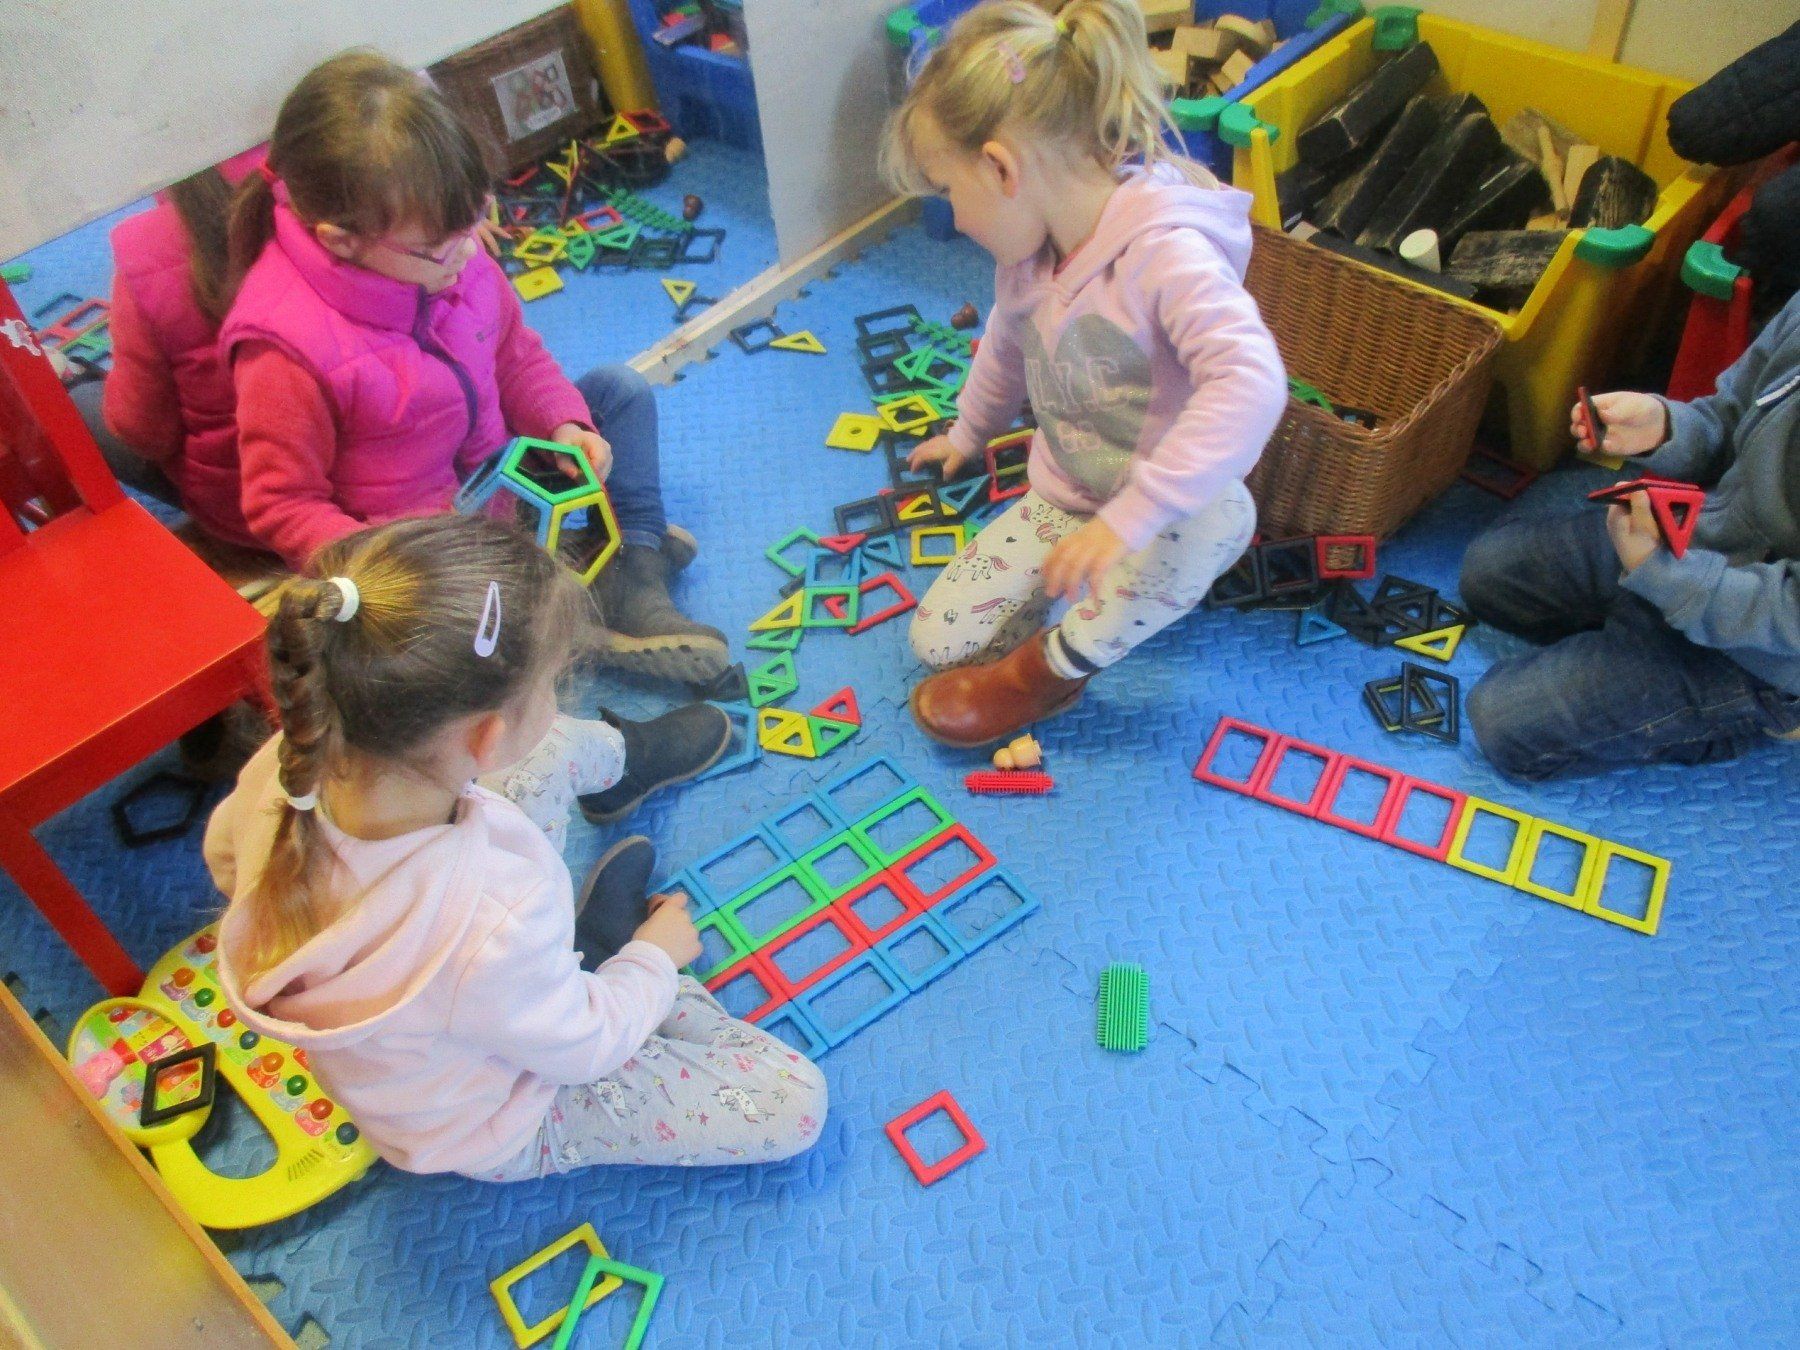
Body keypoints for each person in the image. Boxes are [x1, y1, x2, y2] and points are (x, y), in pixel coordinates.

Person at [206, 515, 827, 1178]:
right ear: (485, 739)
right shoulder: (497, 918)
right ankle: (629, 972)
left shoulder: (288, 770)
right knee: (792, 1101)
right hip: (505, 1113)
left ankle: (628, 764)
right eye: (552, 682)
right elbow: (584, 1047)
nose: (556, 692)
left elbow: (224, 860)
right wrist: (653, 960)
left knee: (546, 750)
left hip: (483, 991)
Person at [218, 50, 726, 680]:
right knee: (456, 671)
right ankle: (579, 628)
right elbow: (283, 505)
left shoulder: (447, 249)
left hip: (512, 489)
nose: (469, 253)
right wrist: (396, 568)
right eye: (442, 247)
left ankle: (631, 569)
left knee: (618, 394)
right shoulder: (282, 348)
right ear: (341, 240)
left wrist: (566, 423)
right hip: (436, 561)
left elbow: (515, 355)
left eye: (476, 222)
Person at [880, 0, 1287, 747]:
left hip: (1172, 509)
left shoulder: (1165, 253)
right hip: (1071, 492)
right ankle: (1068, 604)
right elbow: (1005, 341)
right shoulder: (1030, 254)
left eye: (948, 191)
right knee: (936, 643)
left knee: (1218, 520)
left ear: (1002, 168)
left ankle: (1050, 670)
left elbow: (1254, 382)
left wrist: (1132, 518)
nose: (956, 218)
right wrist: (968, 430)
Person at [1459, 293, 1800, 779]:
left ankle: (1764, 716)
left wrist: (1656, 573)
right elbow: (1728, 415)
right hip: (1700, 538)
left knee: (1501, 725)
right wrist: (1665, 426)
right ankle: (1630, 638)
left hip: (1764, 657)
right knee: (1488, 574)